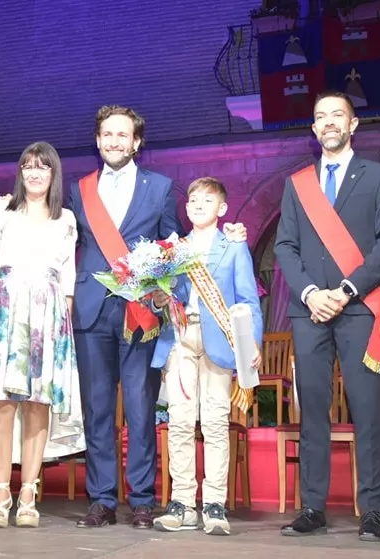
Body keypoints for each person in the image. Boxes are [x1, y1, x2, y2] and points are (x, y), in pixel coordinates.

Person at [68, 105, 247, 529]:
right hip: (92, 310)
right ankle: (102, 499)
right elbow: (60, 236)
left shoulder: (161, 186)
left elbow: (176, 245)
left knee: (140, 407)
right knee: (97, 409)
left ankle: (143, 499)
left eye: (122, 135)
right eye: (107, 134)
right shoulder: (78, 190)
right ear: (98, 141)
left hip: (142, 310)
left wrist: (230, 235)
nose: (114, 141)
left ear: (137, 142)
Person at [274, 90, 380, 542]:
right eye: (320, 117)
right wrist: (312, 293)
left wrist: (347, 290)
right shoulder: (297, 185)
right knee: (313, 409)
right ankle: (312, 507)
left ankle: (372, 510)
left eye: (337, 115)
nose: (329, 122)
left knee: (366, 410)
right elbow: (285, 247)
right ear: (313, 129)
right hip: (308, 311)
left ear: (354, 124)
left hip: (360, 310)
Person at [0, 141, 84, 529]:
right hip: (4, 310)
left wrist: (63, 328)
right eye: (28, 166)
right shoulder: (2, 209)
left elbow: (68, 280)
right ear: (20, 172)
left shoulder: (65, 218)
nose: (34, 173)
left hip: (48, 316)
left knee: (37, 404)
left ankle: (29, 492)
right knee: (1, 402)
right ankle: (1, 491)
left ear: (54, 174)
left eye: (43, 167)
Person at [150, 177, 263, 536]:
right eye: (193, 200)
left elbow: (247, 298)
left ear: (222, 208)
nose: (198, 205)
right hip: (179, 338)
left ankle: (214, 502)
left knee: (214, 423)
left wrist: (252, 342)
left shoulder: (233, 246)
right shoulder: (173, 248)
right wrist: (157, 298)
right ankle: (182, 501)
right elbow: (159, 296)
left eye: (207, 200)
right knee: (180, 422)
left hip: (219, 339)